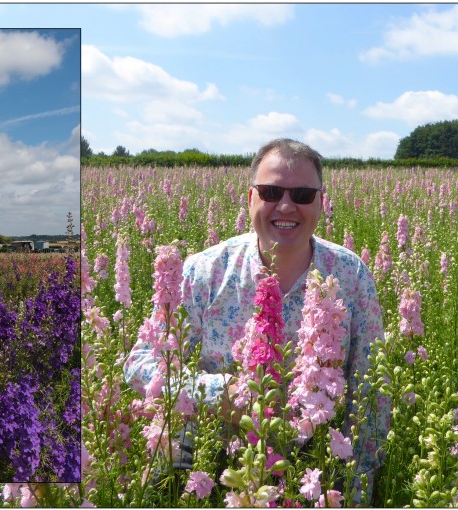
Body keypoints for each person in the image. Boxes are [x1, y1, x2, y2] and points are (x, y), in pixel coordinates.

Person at [124, 138, 388, 502]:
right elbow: (140, 364)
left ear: (321, 204)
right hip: (210, 453)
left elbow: (371, 393)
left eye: (302, 194)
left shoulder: (349, 275)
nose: (286, 205)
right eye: (270, 191)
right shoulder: (204, 272)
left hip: (310, 461)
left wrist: (356, 491)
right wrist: (218, 393)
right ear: (250, 199)